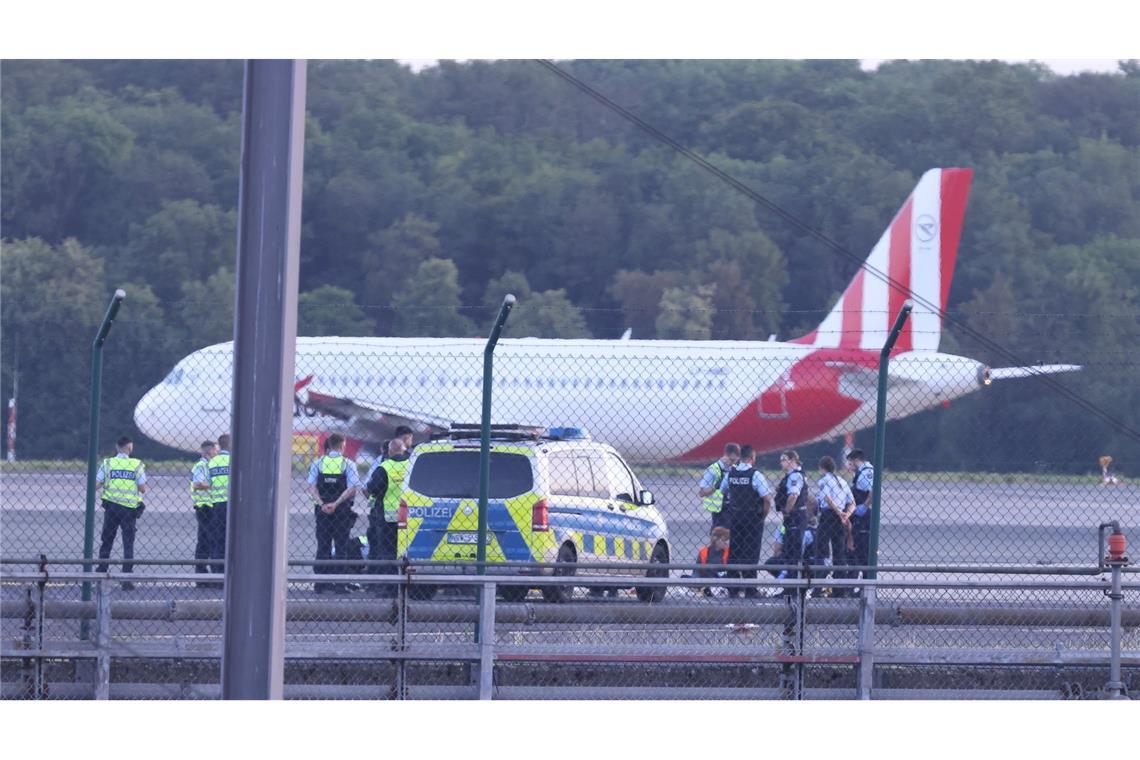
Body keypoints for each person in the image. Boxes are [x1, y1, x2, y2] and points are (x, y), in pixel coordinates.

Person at [309, 433, 363, 594]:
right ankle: (340, 584)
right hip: (342, 511)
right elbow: (353, 487)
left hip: (322, 511)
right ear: (342, 445)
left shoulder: (318, 463)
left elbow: (311, 487)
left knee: (323, 546)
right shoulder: (348, 464)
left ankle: (321, 584)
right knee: (341, 546)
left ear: (328, 445)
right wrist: (336, 503)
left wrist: (322, 504)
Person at [95, 436, 147, 590]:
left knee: (107, 541)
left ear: (117, 448)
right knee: (128, 544)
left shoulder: (108, 463)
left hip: (111, 508)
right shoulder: (136, 464)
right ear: (130, 447)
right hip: (129, 509)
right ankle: (127, 578)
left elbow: (96, 485)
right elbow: (142, 488)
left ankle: (101, 572)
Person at [720, 444, 772, 598]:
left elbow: (723, 491)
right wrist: (763, 515)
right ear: (752, 458)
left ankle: (733, 587)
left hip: (736, 517)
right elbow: (767, 498)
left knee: (735, 552)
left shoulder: (731, 473)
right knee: (751, 553)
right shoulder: (755, 475)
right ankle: (750, 588)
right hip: (752, 519)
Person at [364, 438, 410, 597]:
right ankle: (408, 587)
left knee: (388, 552)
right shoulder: (412, 466)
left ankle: (391, 588)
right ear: (404, 450)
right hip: (411, 516)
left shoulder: (384, 467)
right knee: (408, 552)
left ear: (389, 451)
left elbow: (372, 489)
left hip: (389, 517)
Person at [814, 456, 856, 597]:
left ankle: (817, 588)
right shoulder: (843, 482)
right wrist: (846, 515)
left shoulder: (824, 480)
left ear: (822, 468)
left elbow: (826, 497)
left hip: (828, 516)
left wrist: (838, 511)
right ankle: (840, 590)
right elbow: (852, 503)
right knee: (840, 553)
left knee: (821, 550)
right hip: (840, 520)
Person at [202, 434, 231, 589]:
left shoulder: (213, 462)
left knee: (217, 540)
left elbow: (206, 483)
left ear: (219, 446)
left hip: (217, 505)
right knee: (234, 540)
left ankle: (217, 574)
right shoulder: (236, 460)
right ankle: (232, 573)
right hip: (233, 505)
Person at [846, 449, 875, 587]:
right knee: (857, 550)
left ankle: (866, 587)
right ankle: (858, 586)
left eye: (851, 463)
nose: (849, 466)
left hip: (863, 517)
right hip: (859, 515)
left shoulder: (866, 472)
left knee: (863, 552)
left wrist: (864, 506)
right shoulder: (861, 473)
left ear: (856, 460)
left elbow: (872, 491)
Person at [190, 440, 218, 584]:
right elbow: (198, 483)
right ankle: (208, 574)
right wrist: (216, 485)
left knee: (204, 541)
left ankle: (202, 575)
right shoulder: (202, 466)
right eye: (215, 450)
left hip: (206, 507)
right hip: (205, 507)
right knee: (210, 541)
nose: (217, 453)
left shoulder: (207, 465)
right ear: (209, 451)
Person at [698, 443, 740, 531]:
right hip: (719, 512)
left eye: (735, 461)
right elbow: (702, 493)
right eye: (731, 460)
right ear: (725, 455)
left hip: (733, 510)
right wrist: (717, 486)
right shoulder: (713, 470)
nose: (732, 463)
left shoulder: (735, 469)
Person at [695, 527, 731, 597]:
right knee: (686, 577)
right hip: (706, 578)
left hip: (722, 579)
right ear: (716, 540)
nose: (727, 542)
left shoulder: (728, 552)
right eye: (724, 540)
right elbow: (697, 571)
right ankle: (705, 589)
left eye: (728, 540)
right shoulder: (703, 552)